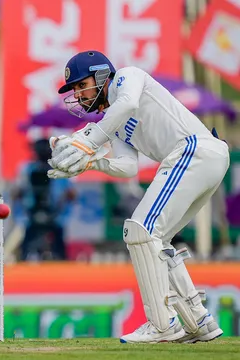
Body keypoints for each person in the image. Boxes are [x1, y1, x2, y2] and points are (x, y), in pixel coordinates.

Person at [48, 50, 228, 344]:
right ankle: (199, 322)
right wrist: (92, 161)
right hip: (202, 159)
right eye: (75, 90)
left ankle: (162, 325)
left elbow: (128, 103)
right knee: (157, 239)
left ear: (102, 75)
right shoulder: (113, 121)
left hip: (194, 150)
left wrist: (88, 141)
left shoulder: (127, 78)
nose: (79, 95)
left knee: (140, 230)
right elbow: (128, 167)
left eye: (82, 85)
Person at [13, 139, 75, 261]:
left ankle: (27, 256)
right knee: (54, 241)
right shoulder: (27, 169)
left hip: (47, 213)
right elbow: (71, 194)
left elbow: (16, 193)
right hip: (38, 213)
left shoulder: (27, 169)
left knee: (51, 239)